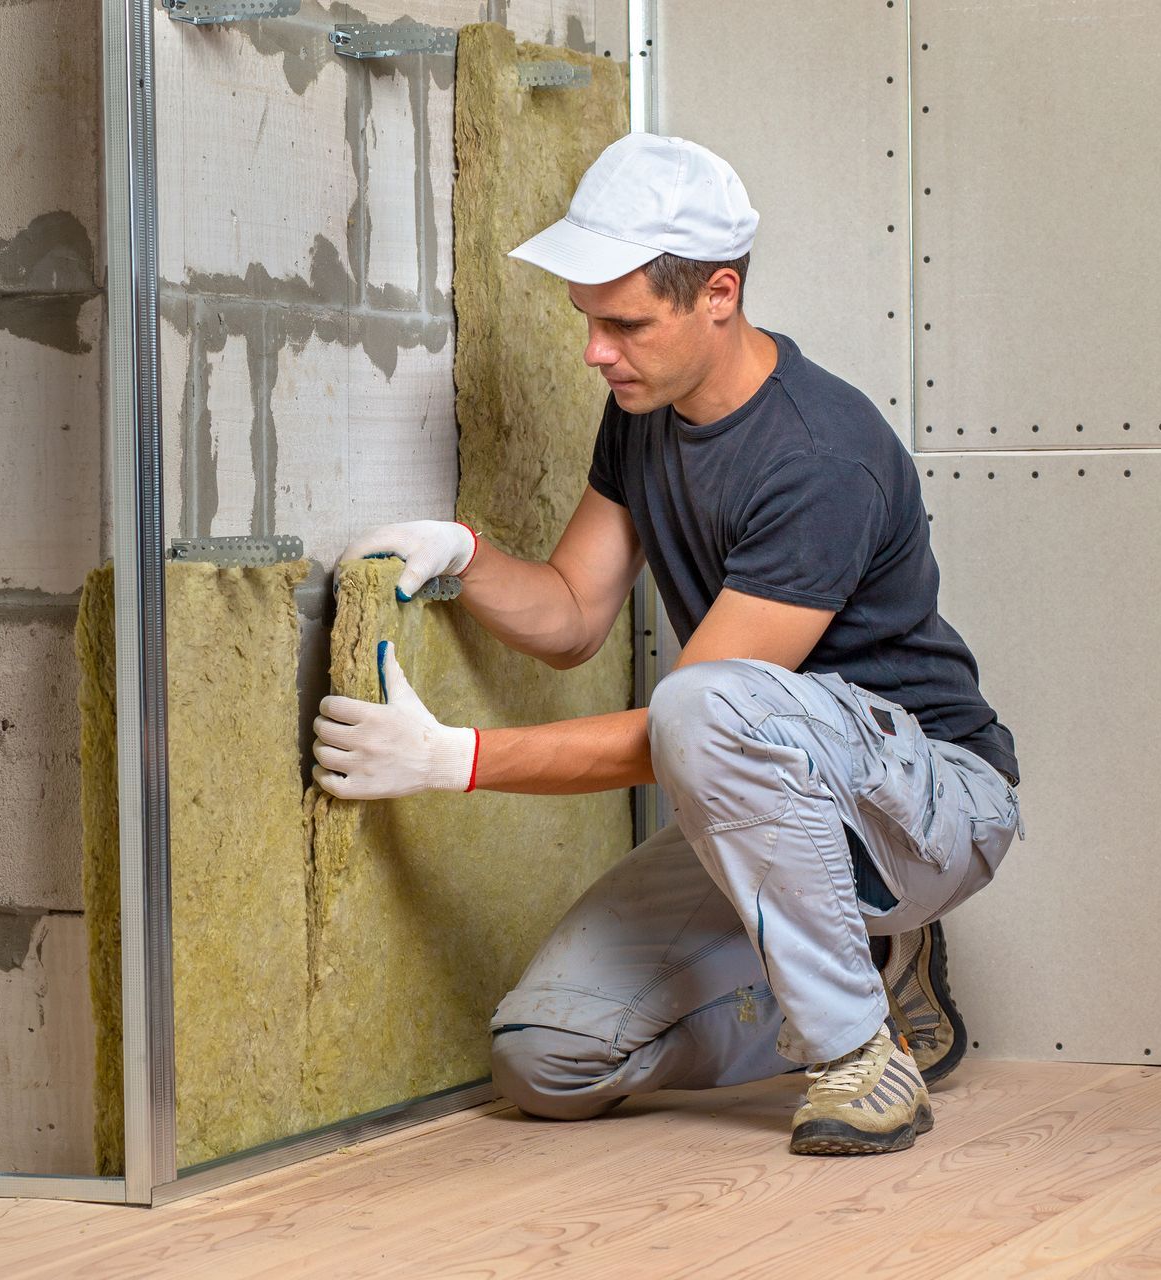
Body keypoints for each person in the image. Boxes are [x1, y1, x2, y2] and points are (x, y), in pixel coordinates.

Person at [312, 132, 1024, 1156]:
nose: (596, 350)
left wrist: (451, 759)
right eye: (590, 322)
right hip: (757, 788)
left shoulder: (822, 458)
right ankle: (862, 983)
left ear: (718, 294)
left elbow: (682, 726)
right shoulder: (642, 415)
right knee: (543, 1057)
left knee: (701, 702)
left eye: (625, 324)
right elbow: (569, 614)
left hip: (927, 803)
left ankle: (859, 1056)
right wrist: (464, 555)